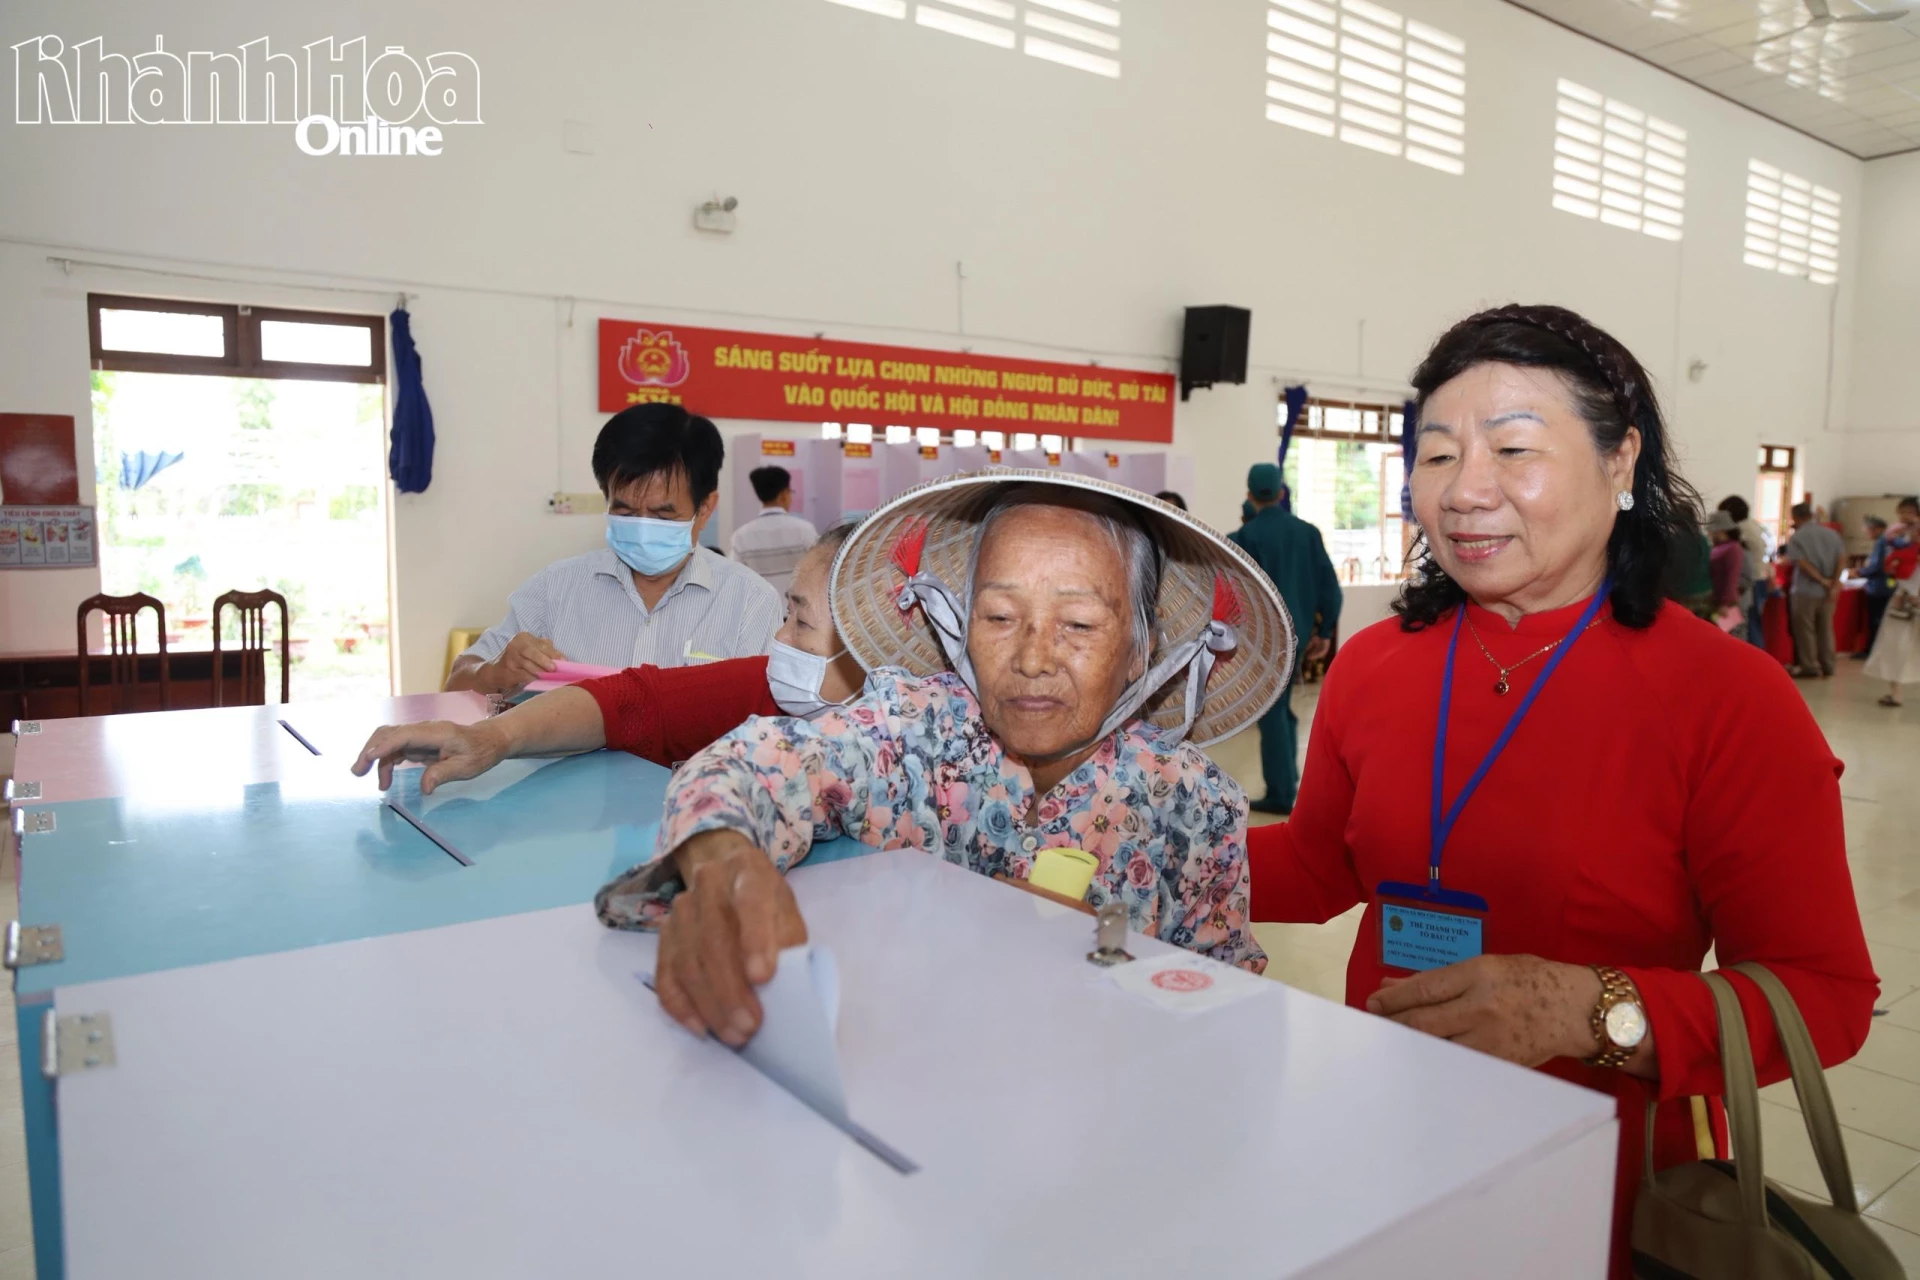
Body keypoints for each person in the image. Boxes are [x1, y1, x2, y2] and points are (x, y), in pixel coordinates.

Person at [1244, 304, 1875, 1279]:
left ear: (1621, 463)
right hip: (1389, 1121)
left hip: (1606, 1167)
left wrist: (1589, 1009)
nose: (1465, 490)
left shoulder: (1726, 695)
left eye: (1513, 449)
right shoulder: (1377, 664)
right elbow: (1321, 862)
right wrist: (1150, 843)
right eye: (1438, 455)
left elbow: (1823, 994)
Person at [606, 472, 1297, 1044]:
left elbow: (1224, 1008)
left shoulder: (1194, 804)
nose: (1032, 659)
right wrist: (722, 862)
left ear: (1141, 649)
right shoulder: (914, 732)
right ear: (963, 624)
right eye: (999, 617)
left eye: (1079, 624)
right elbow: (753, 763)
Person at [354, 525, 867, 789]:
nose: (779, 638)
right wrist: (490, 739)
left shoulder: (913, 743)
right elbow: (629, 700)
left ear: (874, 644)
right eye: (786, 615)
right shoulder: (760, 683)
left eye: (800, 623)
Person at [447, 405, 781, 695]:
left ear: (705, 508)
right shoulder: (555, 588)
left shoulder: (749, 602)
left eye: (663, 515)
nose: (643, 528)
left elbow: (768, 725)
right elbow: (457, 682)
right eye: (625, 512)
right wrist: (494, 672)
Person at [1229, 461, 1341, 815]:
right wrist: (1324, 632)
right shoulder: (1307, 533)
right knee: (1283, 707)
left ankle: (1280, 793)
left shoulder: (1243, 539)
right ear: (1281, 493)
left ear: (1249, 494)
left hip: (1264, 642)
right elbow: (1330, 588)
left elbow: (1231, 595)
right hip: (1300, 635)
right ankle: (1288, 779)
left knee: (1272, 712)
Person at [729, 464, 820, 593]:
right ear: (783, 495)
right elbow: (819, 568)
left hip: (760, 604)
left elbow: (735, 578)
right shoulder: (805, 530)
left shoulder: (741, 536)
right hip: (796, 604)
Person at [1865, 499, 1920, 706]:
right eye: (1902, 512)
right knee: (1894, 643)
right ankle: (1896, 692)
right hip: (1903, 594)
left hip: (1910, 594)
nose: (1904, 517)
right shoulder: (1897, 536)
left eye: (1909, 512)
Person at [1782, 500, 1846, 679]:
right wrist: (1834, 584)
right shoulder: (1832, 534)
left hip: (1805, 590)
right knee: (1826, 629)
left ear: (1795, 517)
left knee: (1805, 629)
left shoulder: (1798, 537)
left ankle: (1809, 666)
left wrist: (1822, 580)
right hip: (1829, 592)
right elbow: (1842, 559)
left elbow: (1802, 563)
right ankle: (1828, 665)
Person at [1717, 495, 1770, 648]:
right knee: (1752, 624)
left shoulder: (1741, 531)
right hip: (1757, 579)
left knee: (1747, 627)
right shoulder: (1753, 525)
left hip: (1747, 583)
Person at [1705, 510, 1751, 634]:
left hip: (1727, 603)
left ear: (1720, 530)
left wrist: (1725, 603)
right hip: (1717, 600)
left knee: (1729, 637)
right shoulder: (1719, 547)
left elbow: (1732, 576)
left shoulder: (1733, 548)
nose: (1709, 533)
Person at [1856, 514, 1892, 659]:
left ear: (1875, 529)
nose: (1865, 533)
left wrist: (1859, 572)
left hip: (1878, 588)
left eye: (1866, 530)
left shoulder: (1882, 542)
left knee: (1876, 621)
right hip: (1887, 586)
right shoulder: (1889, 540)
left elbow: (1877, 566)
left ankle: (1871, 651)